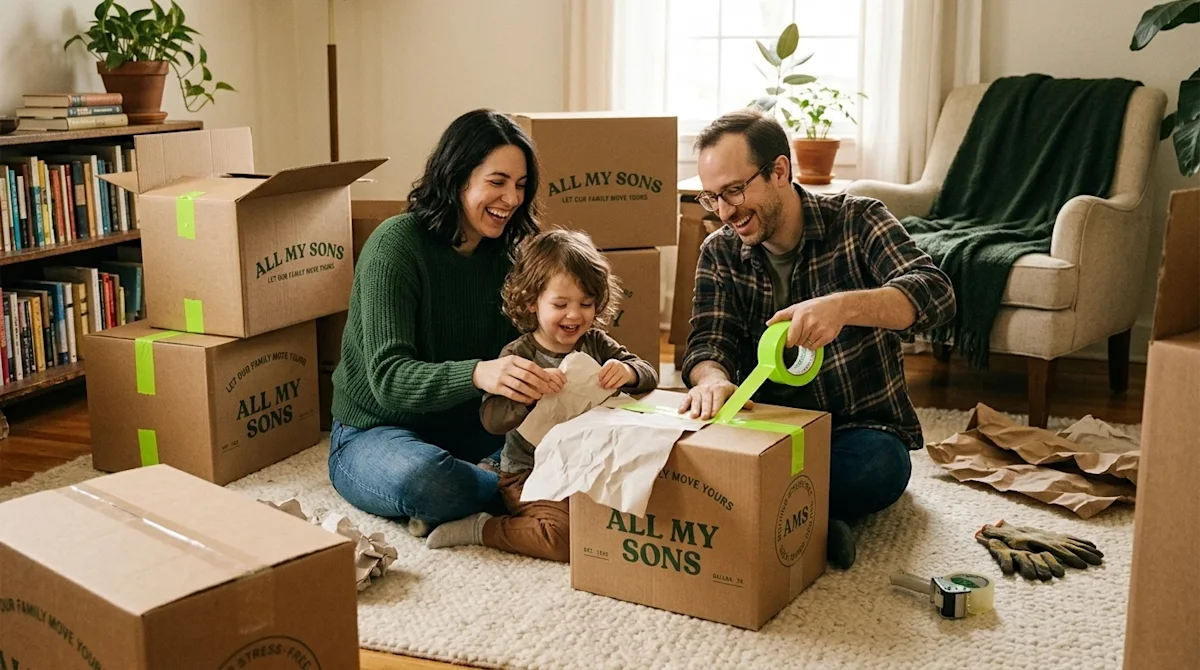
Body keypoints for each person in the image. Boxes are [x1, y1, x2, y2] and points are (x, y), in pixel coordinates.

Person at [679, 109, 956, 569]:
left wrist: (844, 307)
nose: (725, 212)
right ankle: (807, 517)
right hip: (763, 429)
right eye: (713, 198)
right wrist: (711, 380)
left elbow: (936, 293)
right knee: (691, 454)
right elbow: (709, 339)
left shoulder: (858, 220)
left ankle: (756, 511)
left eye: (733, 190)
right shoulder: (720, 251)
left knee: (881, 467)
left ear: (780, 171)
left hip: (854, 431)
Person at [328, 109, 566, 538]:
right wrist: (479, 373)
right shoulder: (395, 247)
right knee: (428, 481)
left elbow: (529, 349)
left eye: (520, 186)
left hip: (474, 429)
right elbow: (388, 378)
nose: (511, 199)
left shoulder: (510, 255)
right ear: (457, 178)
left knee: (579, 445)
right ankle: (505, 489)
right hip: (377, 431)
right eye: (497, 182)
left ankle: (490, 488)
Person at [424, 229, 659, 561]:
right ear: (532, 301)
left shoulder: (595, 343)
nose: (574, 315)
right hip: (530, 473)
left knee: (629, 518)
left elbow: (649, 373)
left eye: (586, 304)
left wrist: (629, 371)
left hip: (588, 466)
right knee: (562, 538)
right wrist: (526, 395)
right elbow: (492, 421)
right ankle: (482, 527)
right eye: (560, 304)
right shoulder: (518, 355)